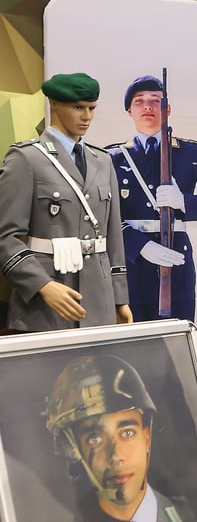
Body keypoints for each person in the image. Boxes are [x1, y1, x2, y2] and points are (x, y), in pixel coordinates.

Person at [0, 72, 131, 332]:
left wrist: (119, 299)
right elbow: (5, 236)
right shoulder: (27, 158)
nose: (87, 117)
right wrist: (42, 285)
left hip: (99, 300)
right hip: (47, 301)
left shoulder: (102, 161)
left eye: (92, 108)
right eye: (77, 107)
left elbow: (113, 237)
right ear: (54, 104)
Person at [107, 75, 197, 322]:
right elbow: (105, 218)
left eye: (155, 101)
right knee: (134, 337)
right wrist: (140, 246)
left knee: (176, 334)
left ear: (167, 109)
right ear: (129, 111)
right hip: (131, 263)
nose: (147, 106)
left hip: (176, 257)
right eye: (139, 101)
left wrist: (184, 202)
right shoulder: (113, 157)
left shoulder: (189, 152)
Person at [45, 354, 195, 522]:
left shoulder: (194, 517)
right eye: (95, 438)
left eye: (127, 432)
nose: (116, 456)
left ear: (146, 436)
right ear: (75, 451)